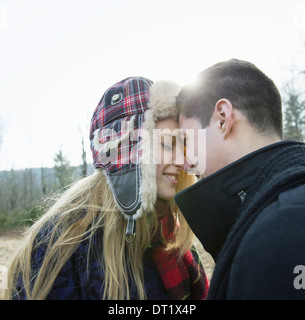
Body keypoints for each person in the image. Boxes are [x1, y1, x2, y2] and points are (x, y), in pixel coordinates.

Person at [6, 77, 209, 300]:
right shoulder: (64, 242)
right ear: (128, 151)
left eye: (184, 144)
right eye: (168, 144)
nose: (182, 159)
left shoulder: (170, 234)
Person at [175, 59, 305, 300]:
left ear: (223, 118)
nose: (186, 163)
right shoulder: (279, 211)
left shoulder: (280, 234)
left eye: (186, 141)